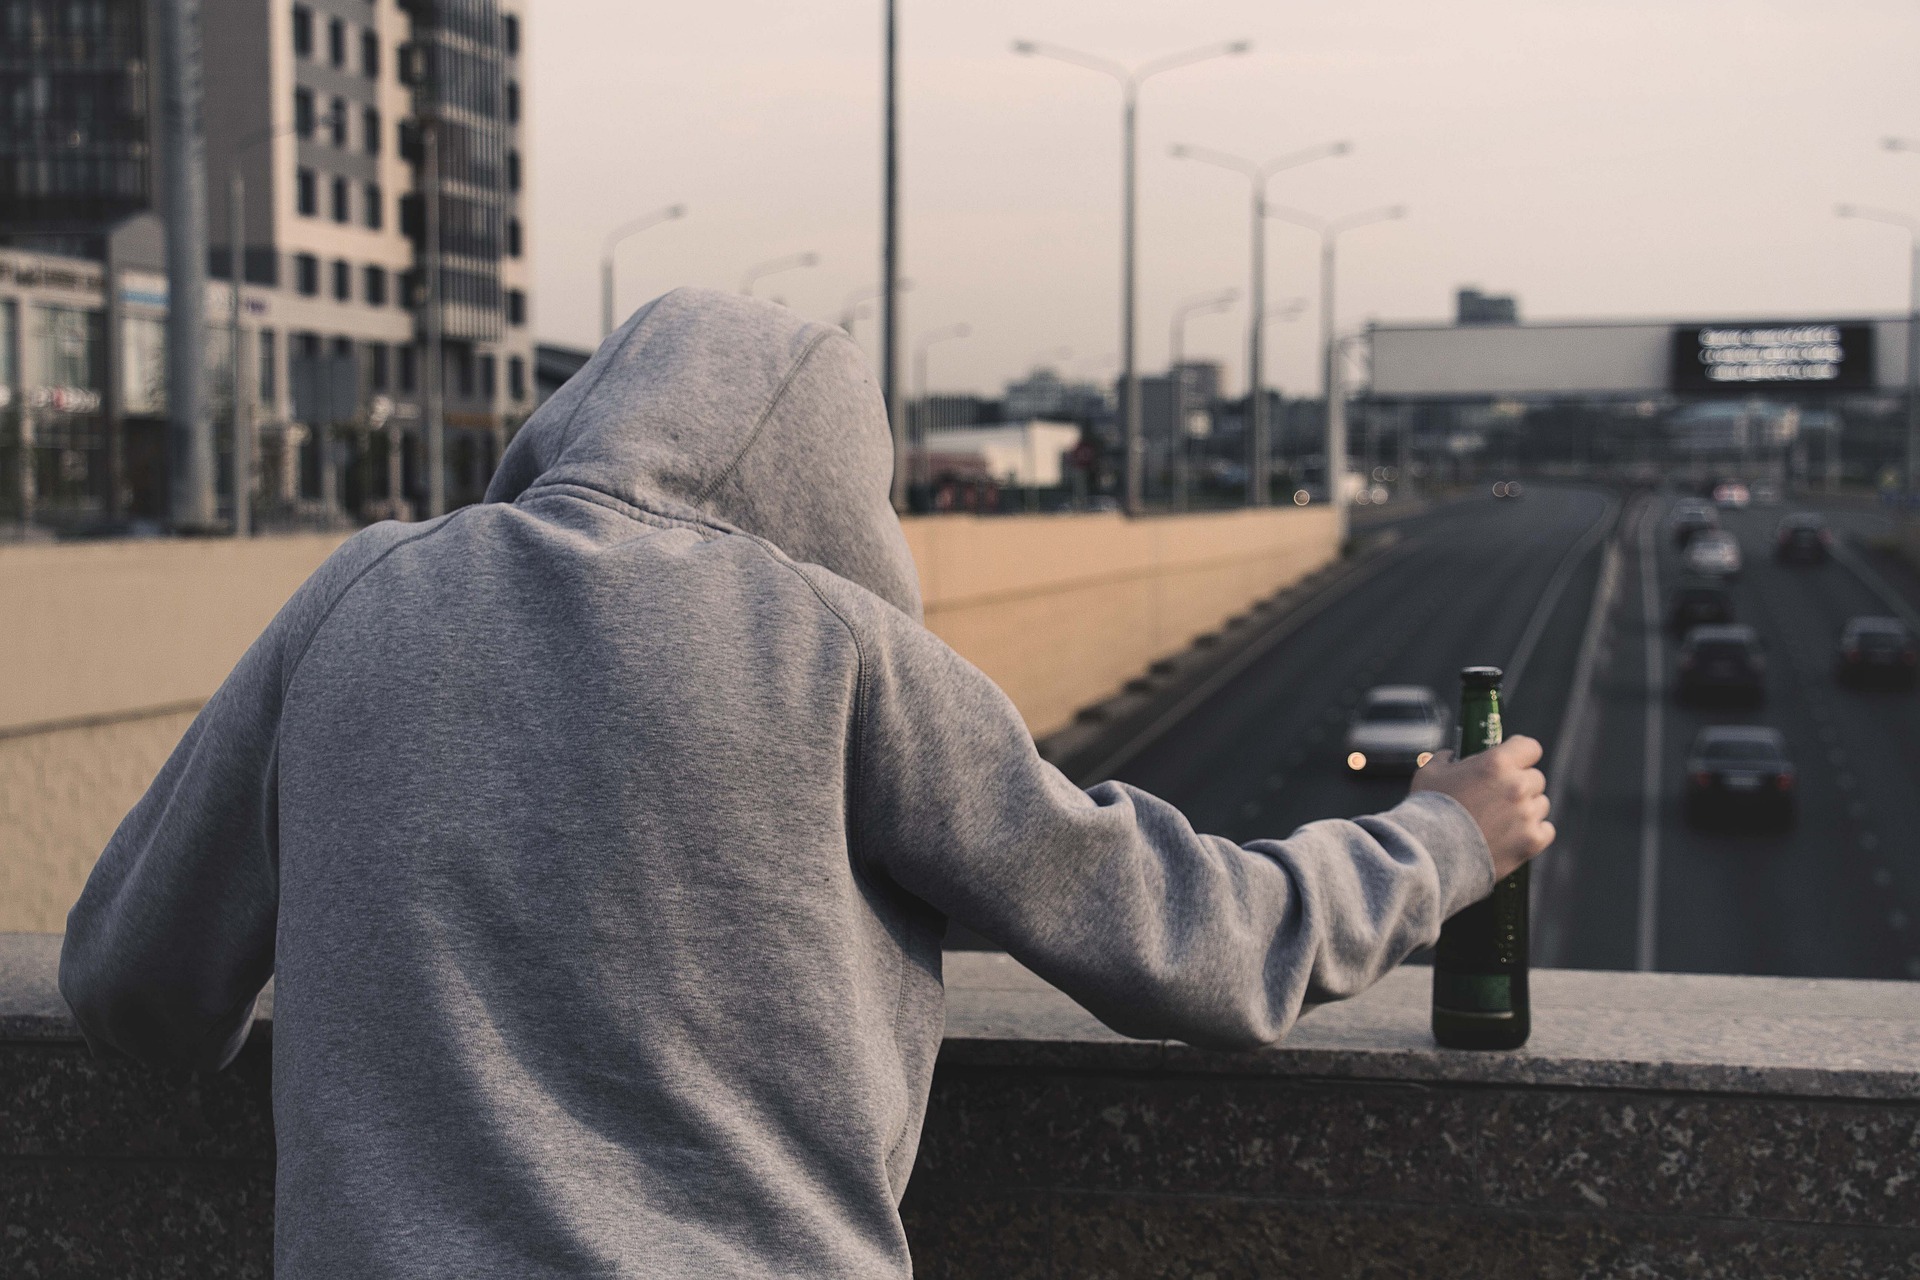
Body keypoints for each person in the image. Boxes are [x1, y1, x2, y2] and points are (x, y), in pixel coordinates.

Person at [61, 289, 1552, 1278]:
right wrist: (1439, 841)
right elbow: (1193, 941)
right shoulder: (832, 643)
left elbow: (133, 980)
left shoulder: (359, 596)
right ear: (839, 490)